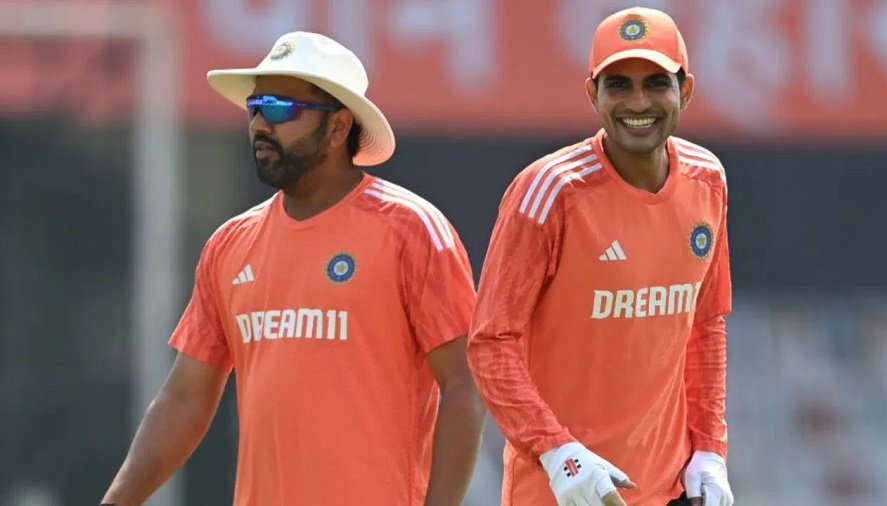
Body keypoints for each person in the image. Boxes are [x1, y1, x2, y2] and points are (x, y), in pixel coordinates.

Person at [101, 31, 485, 506]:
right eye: (255, 108)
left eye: (280, 109)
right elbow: (185, 398)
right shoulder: (230, 244)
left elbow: (464, 385)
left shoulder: (411, 229)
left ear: (338, 128)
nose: (261, 124)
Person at [467, 7, 734, 506]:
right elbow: (490, 343)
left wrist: (709, 448)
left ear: (686, 91)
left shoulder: (708, 179)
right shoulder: (549, 192)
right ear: (593, 94)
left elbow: (705, 323)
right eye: (618, 85)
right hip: (561, 490)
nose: (638, 102)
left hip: (668, 489)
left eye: (656, 83)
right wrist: (557, 452)